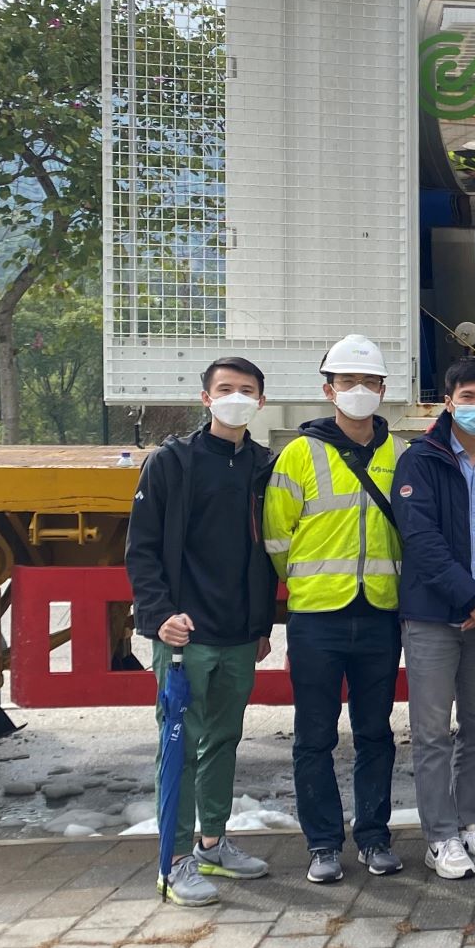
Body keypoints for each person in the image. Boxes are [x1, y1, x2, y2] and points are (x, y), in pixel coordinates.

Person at [128, 357, 277, 906]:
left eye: (247, 390)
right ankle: (172, 863)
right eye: (225, 388)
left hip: (239, 634)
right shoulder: (172, 463)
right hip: (184, 635)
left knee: (224, 739)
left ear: (261, 401)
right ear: (205, 398)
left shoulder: (264, 466)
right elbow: (142, 547)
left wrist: (260, 625)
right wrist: (159, 614)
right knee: (180, 745)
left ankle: (212, 843)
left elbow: (266, 551)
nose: (236, 398)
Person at [265, 333, 408, 884]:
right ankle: (323, 844)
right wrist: (308, 584)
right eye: (348, 381)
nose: (359, 390)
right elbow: (277, 538)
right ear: (328, 390)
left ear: (383, 389)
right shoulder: (299, 454)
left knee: (375, 733)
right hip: (317, 618)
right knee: (314, 737)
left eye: (369, 381)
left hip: (379, 613)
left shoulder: (401, 454)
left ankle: (374, 837)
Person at [394, 357, 475, 880]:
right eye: (468, 397)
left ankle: (472, 824)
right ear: (448, 402)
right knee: (431, 733)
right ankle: (440, 836)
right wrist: (470, 596)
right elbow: (420, 538)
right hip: (432, 617)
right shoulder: (419, 460)